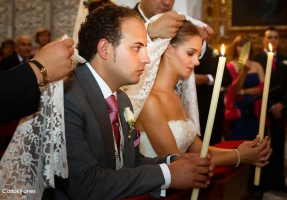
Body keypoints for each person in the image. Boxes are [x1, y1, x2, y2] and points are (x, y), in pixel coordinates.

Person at [48, 4, 214, 200]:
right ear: (104, 49)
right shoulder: (68, 98)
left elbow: (129, 163)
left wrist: (174, 162)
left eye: (145, 47)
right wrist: (168, 175)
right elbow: (86, 184)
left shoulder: (123, 99)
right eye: (137, 48)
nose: (146, 58)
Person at [125, 18, 271, 169]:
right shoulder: (150, 101)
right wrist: (238, 156)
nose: (196, 62)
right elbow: (178, 162)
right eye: (190, 53)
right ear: (168, 49)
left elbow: (199, 150)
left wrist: (239, 151)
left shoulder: (175, 96)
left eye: (198, 55)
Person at [254, 27, 287, 194]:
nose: (272, 39)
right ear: (264, 40)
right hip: (263, 108)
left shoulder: (284, 60)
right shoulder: (257, 59)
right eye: (269, 37)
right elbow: (259, 85)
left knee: (278, 147)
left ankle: (279, 182)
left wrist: (281, 105)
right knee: (262, 145)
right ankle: (261, 183)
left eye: (276, 37)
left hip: (280, 109)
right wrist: (270, 105)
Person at [0, 35, 74, 125]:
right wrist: (38, 69)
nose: (26, 48)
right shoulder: (6, 61)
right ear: (16, 47)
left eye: (29, 45)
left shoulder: (31, 57)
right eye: (23, 45)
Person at [194, 26, 232, 145]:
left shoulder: (215, 55)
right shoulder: (183, 51)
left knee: (213, 142)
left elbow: (227, 78)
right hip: (192, 106)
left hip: (212, 105)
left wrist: (206, 78)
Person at [224, 35, 265, 141]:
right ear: (235, 47)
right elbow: (234, 90)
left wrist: (244, 91)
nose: (243, 49)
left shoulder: (257, 65)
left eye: (246, 46)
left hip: (255, 110)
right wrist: (244, 71)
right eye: (240, 45)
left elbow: (263, 87)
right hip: (239, 111)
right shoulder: (229, 67)